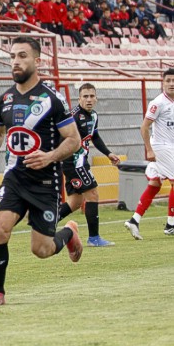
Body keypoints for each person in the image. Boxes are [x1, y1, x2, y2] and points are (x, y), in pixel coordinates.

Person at [0, 36, 82, 307]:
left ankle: (69, 233)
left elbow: (74, 139)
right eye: (13, 56)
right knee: (0, 229)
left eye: (22, 56)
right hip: (14, 177)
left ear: (37, 61)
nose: (16, 61)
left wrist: (49, 156)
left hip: (45, 182)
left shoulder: (53, 99)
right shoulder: (4, 100)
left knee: (41, 249)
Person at [57, 83, 120, 247]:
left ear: (96, 98)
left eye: (92, 96)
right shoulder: (73, 117)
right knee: (92, 194)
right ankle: (94, 238)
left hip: (80, 162)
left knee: (75, 201)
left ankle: (44, 222)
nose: (89, 99)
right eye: (85, 96)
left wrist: (108, 153)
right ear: (79, 99)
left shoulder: (94, 116)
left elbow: (95, 137)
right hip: (73, 163)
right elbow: (60, 138)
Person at [124, 68, 174, 239]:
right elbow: (144, 127)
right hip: (161, 147)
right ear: (163, 83)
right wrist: (149, 150)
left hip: (170, 147)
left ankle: (134, 220)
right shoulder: (158, 102)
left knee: (155, 184)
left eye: (173, 80)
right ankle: (171, 224)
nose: (171, 84)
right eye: (168, 80)